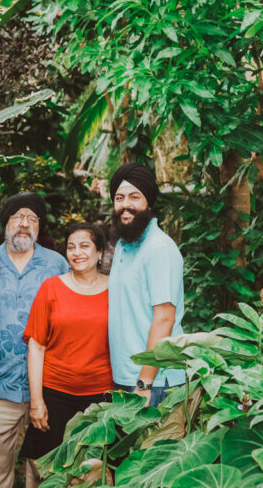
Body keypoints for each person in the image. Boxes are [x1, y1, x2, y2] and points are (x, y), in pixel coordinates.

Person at [0, 192, 69, 488]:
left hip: (47, 385)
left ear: (39, 225)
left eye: (32, 218)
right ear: (6, 223)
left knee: (44, 470)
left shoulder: (57, 265)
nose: (24, 224)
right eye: (17, 217)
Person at [21, 223, 114, 487]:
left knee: (94, 474)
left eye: (84, 246)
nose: (76, 252)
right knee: (49, 471)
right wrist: (37, 402)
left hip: (100, 397)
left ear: (99, 252)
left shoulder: (117, 289)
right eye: (71, 247)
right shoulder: (51, 288)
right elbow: (36, 347)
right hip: (55, 395)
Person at [107, 163, 185, 407]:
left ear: (148, 203)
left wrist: (144, 383)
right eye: (119, 198)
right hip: (126, 377)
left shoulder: (159, 248)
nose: (125, 205)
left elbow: (164, 319)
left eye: (134, 197)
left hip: (155, 382)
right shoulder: (124, 244)